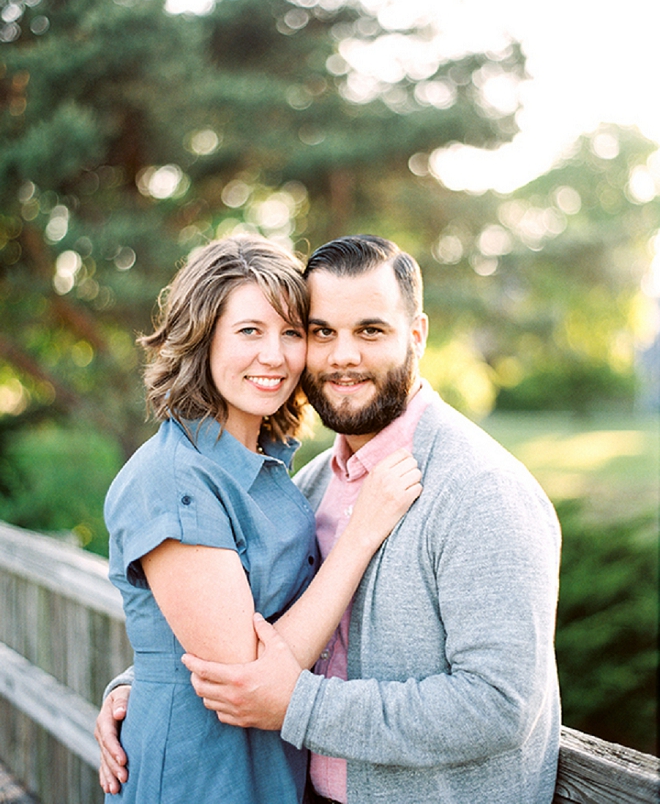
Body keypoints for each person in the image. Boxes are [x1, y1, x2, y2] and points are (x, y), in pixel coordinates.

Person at [97, 234, 562, 804]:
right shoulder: (312, 485)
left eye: (370, 331)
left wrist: (297, 704)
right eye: (321, 332)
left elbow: (499, 704)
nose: (343, 355)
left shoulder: (481, 490)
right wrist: (147, 681)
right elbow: (243, 630)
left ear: (415, 335)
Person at [97, 234, 422, 803]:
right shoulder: (173, 480)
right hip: (202, 775)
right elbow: (247, 676)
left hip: (271, 771)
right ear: (202, 338)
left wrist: (135, 680)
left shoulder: (268, 467)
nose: (274, 355)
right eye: (249, 330)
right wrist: (362, 533)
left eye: (292, 332)